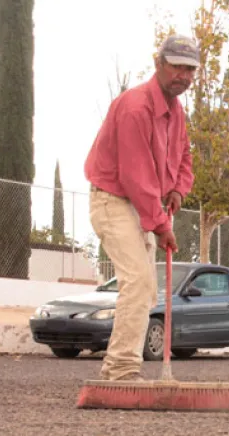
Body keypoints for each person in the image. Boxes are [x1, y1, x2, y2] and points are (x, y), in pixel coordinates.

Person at [84, 35, 199, 381]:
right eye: (177, 65)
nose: (184, 75)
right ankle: (121, 370)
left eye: (190, 69)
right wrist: (162, 224)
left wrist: (179, 188)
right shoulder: (135, 107)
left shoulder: (176, 112)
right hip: (113, 200)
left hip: (141, 205)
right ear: (159, 64)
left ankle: (120, 368)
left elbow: (184, 156)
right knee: (136, 281)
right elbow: (136, 176)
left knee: (146, 287)